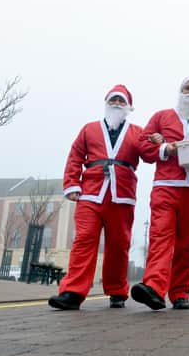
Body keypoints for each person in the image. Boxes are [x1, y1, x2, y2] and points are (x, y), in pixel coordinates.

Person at [49, 84, 145, 310]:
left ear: (129, 106)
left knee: (119, 245)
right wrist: (72, 184)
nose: (117, 104)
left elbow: (150, 154)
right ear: (106, 103)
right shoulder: (89, 129)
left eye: (121, 101)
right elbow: (75, 156)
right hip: (91, 193)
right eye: (113, 100)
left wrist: (160, 142)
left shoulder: (138, 132)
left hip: (122, 195)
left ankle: (117, 290)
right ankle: (72, 292)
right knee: (84, 240)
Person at [131, 76, 189, 310]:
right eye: (187, 88)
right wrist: (165, 148)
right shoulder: (161, 117)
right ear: (180, 91)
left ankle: (180, 292)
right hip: (166, 186)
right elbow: (143, 145)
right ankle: (154, 288)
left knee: (188, 243)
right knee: (161, 236)